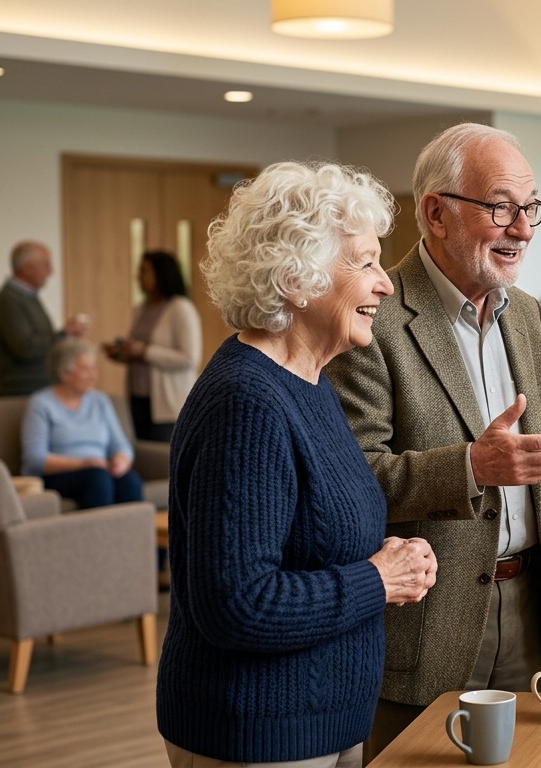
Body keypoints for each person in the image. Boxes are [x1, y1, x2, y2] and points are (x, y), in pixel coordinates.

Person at [322, 122, 541, 759]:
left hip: (527, 606)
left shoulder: (527, 314)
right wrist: (470, 465)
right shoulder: (373, 319)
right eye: (501, 207)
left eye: (530, 208)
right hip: (423, 622)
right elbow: (352, 482)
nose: (523, 228)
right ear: (436, 213)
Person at [156, 161, 438, 767]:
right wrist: (378, 579)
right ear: (297, 278)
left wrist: (387, 558)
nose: (385, 283)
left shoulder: (309, 383)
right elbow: (238, 602)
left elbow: (304, 536)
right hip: (256, 729)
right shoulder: (247, 402)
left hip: (323, 719)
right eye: (363, 262)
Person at [21, 337, 143, 509]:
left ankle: (133, 536)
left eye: (94, 368)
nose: (93, 375)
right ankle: (98, 536)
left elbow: (121, 444)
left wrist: (121, 460)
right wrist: (84, 463)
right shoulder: (41, 403)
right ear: (64, 373)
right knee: (98, 479)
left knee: (130, 481)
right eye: (86, 369)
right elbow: (35, 459)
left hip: (99, 470)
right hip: (59, 475)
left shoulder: (100, 401)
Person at [102, 250, 202, 442]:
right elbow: (138, 350)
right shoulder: (141, 309)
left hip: (168, 401)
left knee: (164, 457)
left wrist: (144, 351)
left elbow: (189, 358)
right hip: (138, 396)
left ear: (161, 274)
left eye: (144, 271)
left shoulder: (180, 308)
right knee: (145, 452)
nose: (138, 277)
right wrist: (121, 353)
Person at [0, 240, 90, 396]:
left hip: (39, 389)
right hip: (22, 392)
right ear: (27, 268)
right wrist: (64, 333)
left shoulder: (28, 297)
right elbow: (25, 348)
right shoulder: (8, 300)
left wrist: (66, 336)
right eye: (46, 265)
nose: (50, 271)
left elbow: (40, 340)